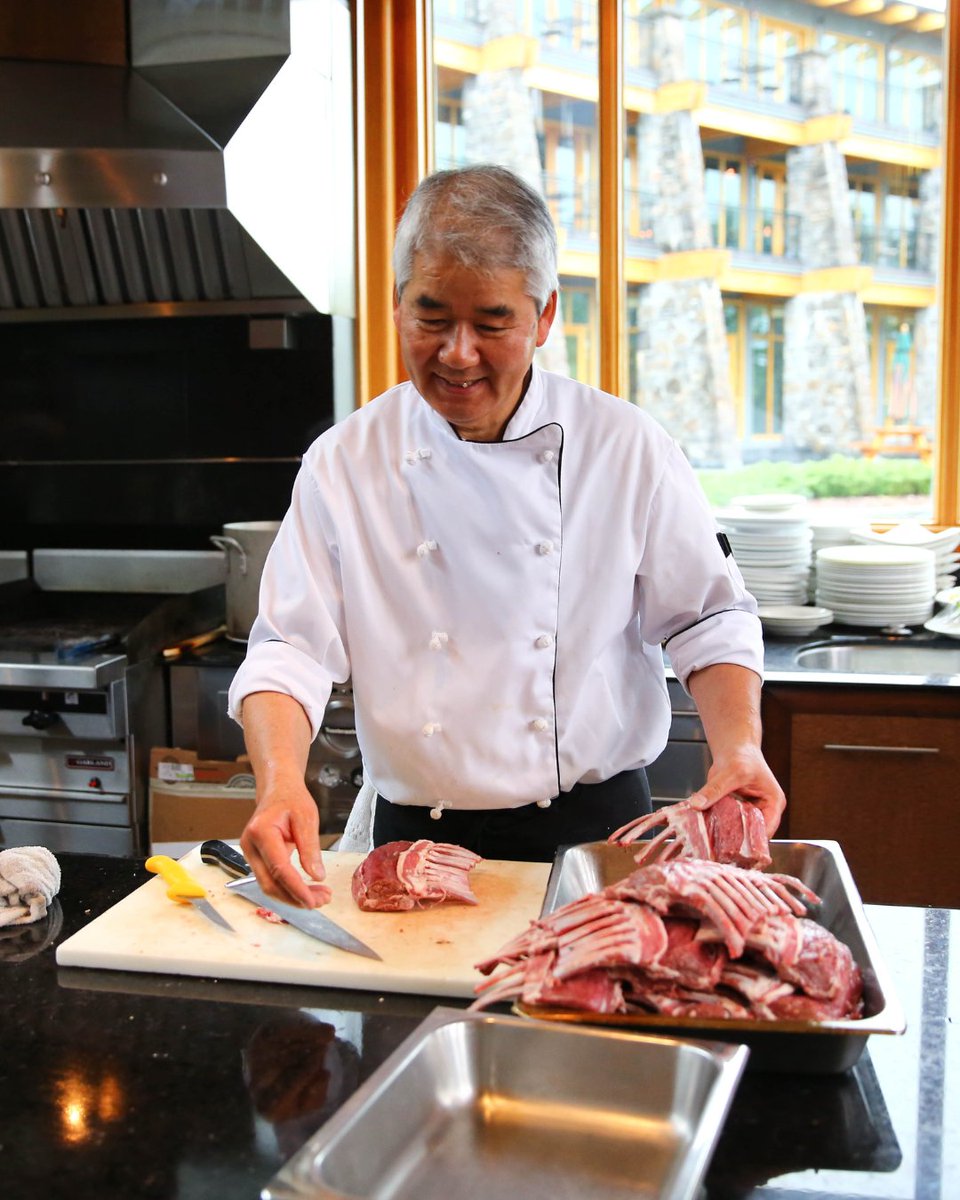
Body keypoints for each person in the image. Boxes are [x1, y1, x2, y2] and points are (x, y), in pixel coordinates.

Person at [228, 163, 786, 908]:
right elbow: (287, 647)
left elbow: (707, 617)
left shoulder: (625, 446)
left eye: (492, 322)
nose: (458, 353)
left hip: (599, 834)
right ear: (396, 306)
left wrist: (740, 747)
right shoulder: (346, 462)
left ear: (544, 316)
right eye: (431, 318)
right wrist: (278, 783)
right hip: (411, 842)